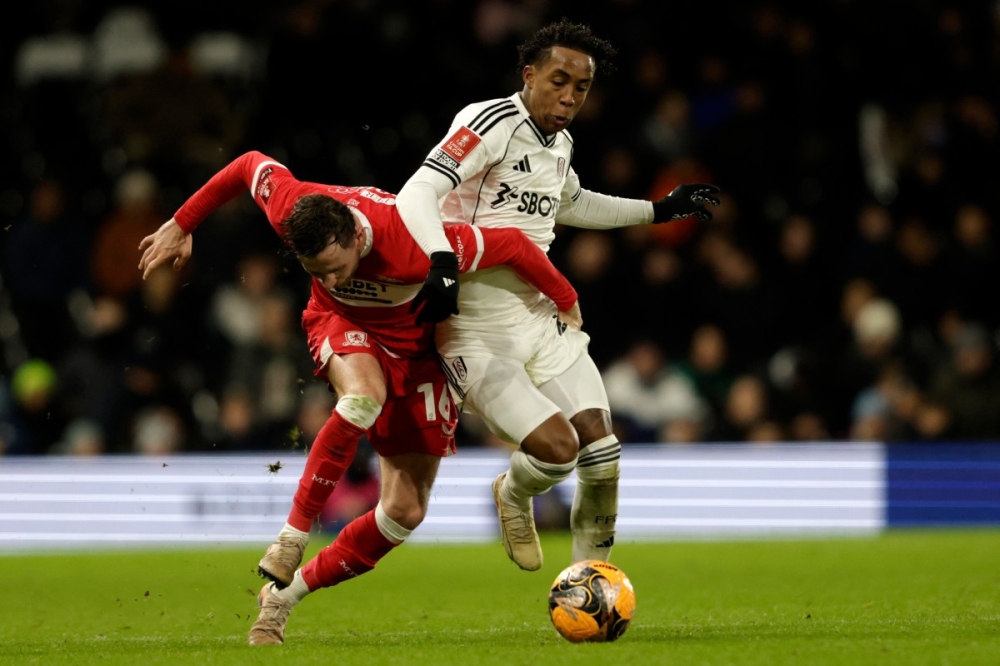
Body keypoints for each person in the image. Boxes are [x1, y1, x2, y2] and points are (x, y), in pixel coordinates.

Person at [136, 150, 581, 645]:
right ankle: (291, 539)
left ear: (353, 236)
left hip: (418, 354)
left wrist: (567, 302)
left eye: (334, 268)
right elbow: (247, 165)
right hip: (344, 328)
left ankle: (283, 597)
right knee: (363, 397)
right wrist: (181, 222)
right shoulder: (295, 207)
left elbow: (516, 246)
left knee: (405, 512)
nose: (328, 280)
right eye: (314, 271)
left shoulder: (417, 240)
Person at [394, 17, 722, 571]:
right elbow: (417, 191)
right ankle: (513, 492)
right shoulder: (489, 121)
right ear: (529, 75)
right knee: (557, 451)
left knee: (602, 451)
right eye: (558, 81)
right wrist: (441, 261)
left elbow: (572, 203)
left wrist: (658, 209)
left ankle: (589, 584)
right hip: (474, 327)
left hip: (540, 319)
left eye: (581, 87)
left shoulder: (560, 143)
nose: (569, 97)